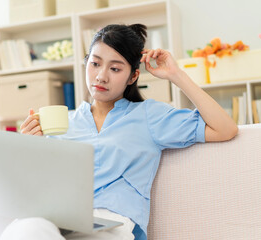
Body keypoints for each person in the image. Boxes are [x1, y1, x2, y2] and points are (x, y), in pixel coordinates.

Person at [14, 24, 238, 240]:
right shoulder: (63, 123)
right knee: (26, 228)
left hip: (110, 224)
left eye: (115, 69)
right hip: (58, 220)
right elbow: (32, 190)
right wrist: (28, 148)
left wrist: (175, 75)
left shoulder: (149, 116)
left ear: (133, 77)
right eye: (95, 64)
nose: (101, 76)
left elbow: (225, 129)